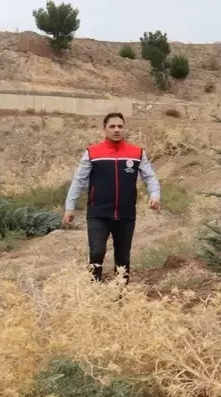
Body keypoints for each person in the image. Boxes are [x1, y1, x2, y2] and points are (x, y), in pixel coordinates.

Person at [64, 112, 161, 282]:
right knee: (96, 253)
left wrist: (155, 196)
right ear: (105, 129)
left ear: (124, 128)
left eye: (120, 126)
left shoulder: (137, 153)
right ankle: (94, 295)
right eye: (112, 126)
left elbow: (150, 177)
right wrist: (69, 207)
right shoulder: (92, 152)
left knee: (123, 258)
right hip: (98, 214)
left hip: (126, 214)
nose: (117, 130)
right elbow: (79, 180)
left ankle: (121, 296)